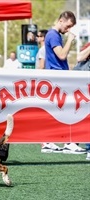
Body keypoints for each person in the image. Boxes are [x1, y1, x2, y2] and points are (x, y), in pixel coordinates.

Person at [42, 10, 86, 154]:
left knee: (58, 109)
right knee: (69, 109)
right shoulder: (54, 35)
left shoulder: (53, 35)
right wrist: (70, 40)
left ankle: (48, 140)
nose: (68, 30)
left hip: (57, 76)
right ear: (61, 20)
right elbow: (61, 55)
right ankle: (68, 141)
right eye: (68, 26)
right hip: (57, 77)